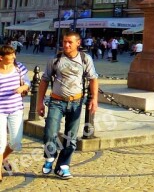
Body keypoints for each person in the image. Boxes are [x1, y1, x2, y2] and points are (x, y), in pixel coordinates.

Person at [37, 31, 99, 180]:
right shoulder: (56, 59)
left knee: (70, 137)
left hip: (76, 102)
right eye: (64, 41)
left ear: (78, 43)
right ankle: (50, 158)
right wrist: (40, 102)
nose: (66, 45)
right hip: (56, 101)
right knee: (50, 132)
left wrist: (94, 98)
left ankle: (63, 166)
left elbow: (93, 79)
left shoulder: (85, 59)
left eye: (70, 42)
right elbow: (44, 80)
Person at [0, 45, 30, 181]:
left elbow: (28, 82)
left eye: (14, 54)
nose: (14, 57)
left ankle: (3, 157)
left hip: (16, 109)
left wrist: (23, 87)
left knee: (16, 142)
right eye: (10, 56)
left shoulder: (19, 67)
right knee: (0, 142)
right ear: (1, 57)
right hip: (0, 111)